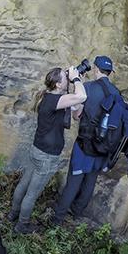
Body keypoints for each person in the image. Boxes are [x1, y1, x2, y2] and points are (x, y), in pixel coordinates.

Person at [9, 67, 87, 233]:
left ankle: (13, 214)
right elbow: (82, 96)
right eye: (65, 78)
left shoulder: (51, 97)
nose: (68, 78)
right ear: (58, 84)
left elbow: (77, 112)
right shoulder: (54, 100)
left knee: (24, 184)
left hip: (37, 149)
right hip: (46, 156)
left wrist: (78, 81)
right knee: (32, 193)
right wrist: (76, 79)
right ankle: (22, 225)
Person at [52, 56, 119, 224]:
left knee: (74, 181)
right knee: (90, 181)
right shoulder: (116, 93)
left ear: (95, 69)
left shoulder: (88, 88)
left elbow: (76, 116)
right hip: (104, 147)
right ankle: (76, 212)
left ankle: (58, 219)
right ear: (109, 73)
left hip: (85, 145)